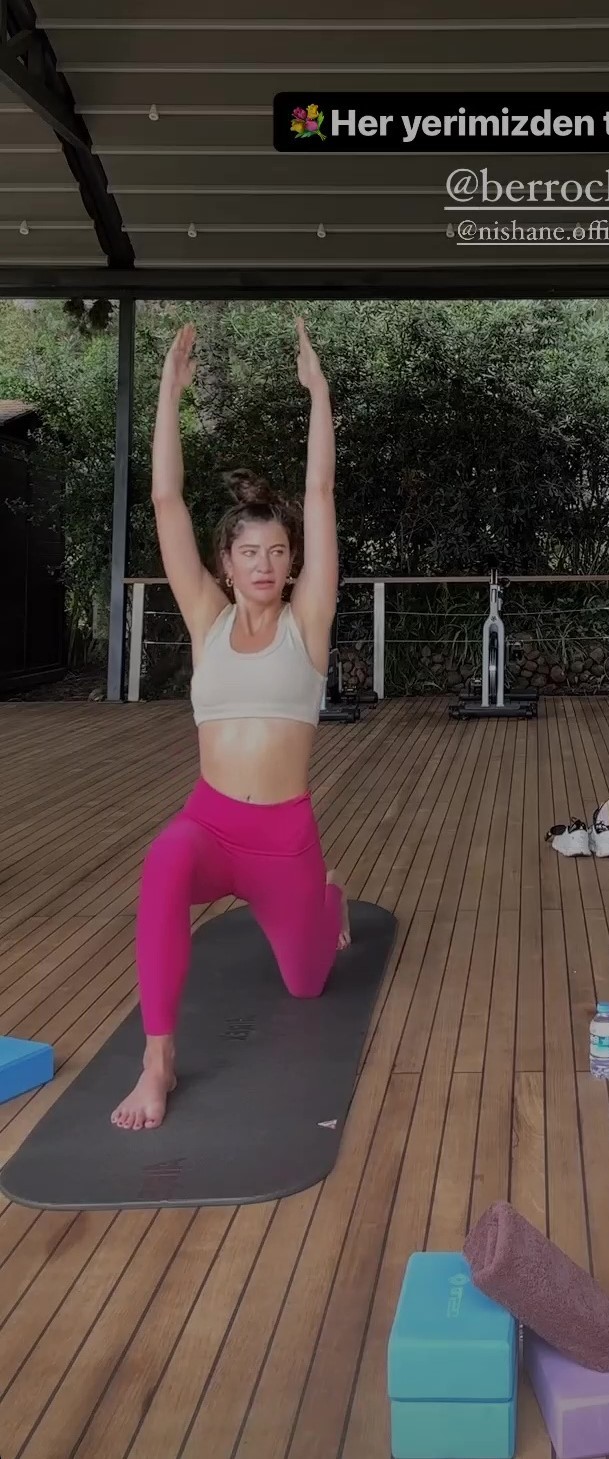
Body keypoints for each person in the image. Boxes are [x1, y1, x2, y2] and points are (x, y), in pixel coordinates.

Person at [111, 319, 348, 1131]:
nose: (264, 563)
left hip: (285, 842)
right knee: (163, 860)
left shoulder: (307, 622)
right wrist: (168, 396)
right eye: (249, 552)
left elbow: (321, 495)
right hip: (209, 824)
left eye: (277, 551)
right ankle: (159, 1061)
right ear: (226, 563)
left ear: (292, 561)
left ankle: (328, 902)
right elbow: (165, 500)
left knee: (308, 983)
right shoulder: (207, 619)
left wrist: (318, 395)